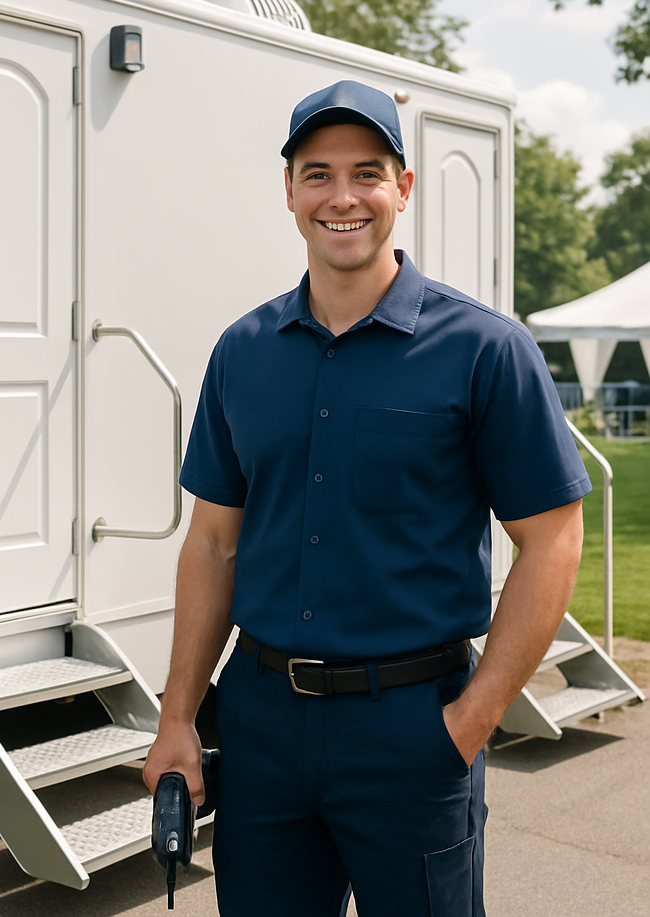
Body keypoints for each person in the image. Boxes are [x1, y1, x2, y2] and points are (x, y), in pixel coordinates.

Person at [142, 80, 591, 917]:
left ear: (403, 189)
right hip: (262, 724)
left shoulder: (488, 350)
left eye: (367, 173)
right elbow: (211, 545)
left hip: (413, 729)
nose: (341, 197)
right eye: (317, 174)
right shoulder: (241, 351)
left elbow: (553, 539)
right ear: (288, 191)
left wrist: (470, 723)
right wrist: (178, 721)